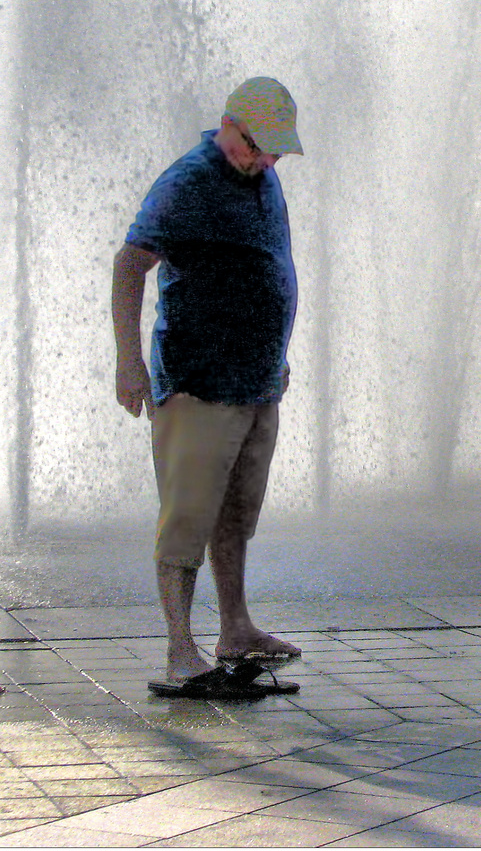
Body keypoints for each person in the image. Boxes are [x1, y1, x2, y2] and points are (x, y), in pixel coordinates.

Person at [111, 77, 304, 694]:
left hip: (257, 383)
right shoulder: (188, 181)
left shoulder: (263, 177)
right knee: (188, 516)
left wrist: (276, 354)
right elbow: (129, 264)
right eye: (256, 146)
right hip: (198, 382)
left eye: (275, 150)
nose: (266, 159)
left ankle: (236, 627)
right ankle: (179, 651)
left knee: (236, 513)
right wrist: (128, 361)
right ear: (227, 124)